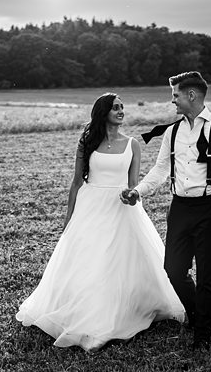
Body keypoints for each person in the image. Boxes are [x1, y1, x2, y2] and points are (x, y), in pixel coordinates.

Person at [16, 93, 185, 351]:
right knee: (90, 260)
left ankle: (121, 312)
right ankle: (86, 314)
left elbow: (132, 185)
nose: (120, 111)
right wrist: (68, 218)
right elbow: (76, 183)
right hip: (90, 206)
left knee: (119, 260)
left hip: (120, 208)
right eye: (115, 107)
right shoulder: (87, 143)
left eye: (122, 107)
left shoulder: (132, 145)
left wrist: (131, 195)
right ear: (103, 112)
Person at [120, 71, 211, 351]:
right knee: (173, 270)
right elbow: (161, 169)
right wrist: (138, 191)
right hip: (180, 208)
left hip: (210, 207)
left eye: (175, 95)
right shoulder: (173, 131)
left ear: (191, 95)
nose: (172, 100)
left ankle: (202, 334)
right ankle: (198, 314)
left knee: (208, 272)